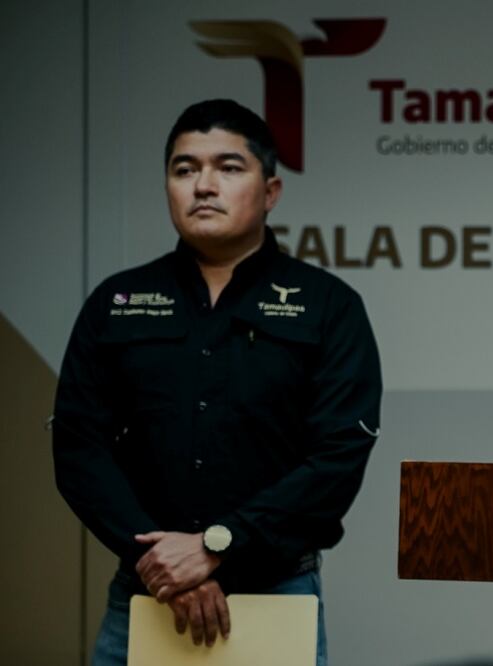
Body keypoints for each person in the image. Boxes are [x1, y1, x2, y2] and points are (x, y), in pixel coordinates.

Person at [52, 99, 382, 666]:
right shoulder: (118, 302)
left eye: (228, 168)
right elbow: (78, 448)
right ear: (168, 187)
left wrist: (215, 546)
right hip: (143, 595)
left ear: (271, 191)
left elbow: (338, 455)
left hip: (274, 593)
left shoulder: (329, 306)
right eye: (185, 170)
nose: (204, 185)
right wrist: (164, 564)